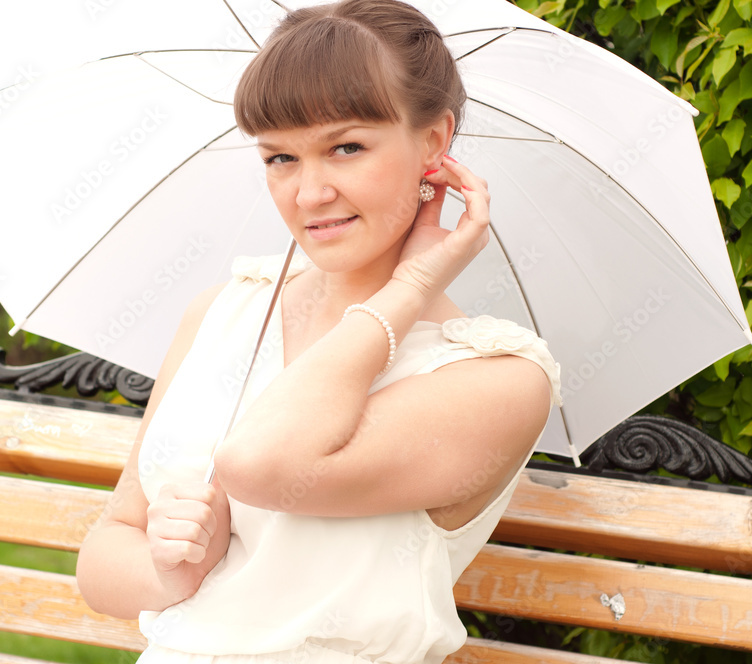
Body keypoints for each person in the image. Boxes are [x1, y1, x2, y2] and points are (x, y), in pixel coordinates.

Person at [76, 1, 562, 661]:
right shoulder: (224, 313)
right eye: (279, 158)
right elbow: (105, 554)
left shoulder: (498, 380)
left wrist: (410, 290)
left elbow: (261, 465)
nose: (307, 195)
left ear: (433, 142)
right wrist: (172, 569)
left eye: (347, 147)